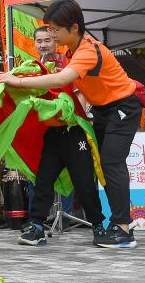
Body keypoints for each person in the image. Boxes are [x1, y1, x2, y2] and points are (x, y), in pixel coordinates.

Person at [0, 0, 140, 249]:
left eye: (55, 30)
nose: (52, 35)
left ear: (74, 28)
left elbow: (61, 80)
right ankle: (115, 224)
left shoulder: (87, 50)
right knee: (102, 165)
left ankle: (123, 228)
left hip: (123, 107)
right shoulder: (72, 51)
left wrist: (18, 82)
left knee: (111, 162)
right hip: (103, 110)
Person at [17, 26, 105, 247]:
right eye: (39, 41)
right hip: (51, 133)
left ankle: (98, 226)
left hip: (73, 131)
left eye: (47, 40)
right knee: (43, 179)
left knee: (83, 181)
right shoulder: (32, 67)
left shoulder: (68, 63)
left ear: (56, 41)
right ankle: (37, 226)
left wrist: (75, 117)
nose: (43, 44)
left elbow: (80, 94)